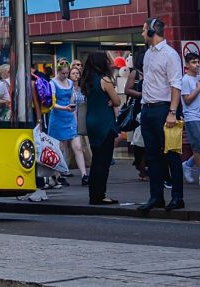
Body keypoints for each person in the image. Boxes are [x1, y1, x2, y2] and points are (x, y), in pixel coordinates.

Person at [137, 18, 185, 214]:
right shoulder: (148, 54)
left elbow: (176, 84)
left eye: (143, 30)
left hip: (164, 109)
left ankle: (177, 197)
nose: (142, 34)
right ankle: (156, 197)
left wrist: (172, 112)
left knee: (172, 155)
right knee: (153, 156)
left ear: (151, 32)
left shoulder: (170, 55)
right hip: (147, 109)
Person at [81, 51, 122, 205]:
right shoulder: (105, 80)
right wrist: (112, 101)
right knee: (104, 161)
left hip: (91, 122)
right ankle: (101, 195)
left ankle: (94, 194)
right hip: (105, 122)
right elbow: (117, 100)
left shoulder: (87, 81)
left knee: (96, 159)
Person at [48, 61, 86, 186]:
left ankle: (84, 175)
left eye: (66, 73)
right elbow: (52, 103)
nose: (65, 75)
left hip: (69, 117)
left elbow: (71, 99)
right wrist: (65, 108)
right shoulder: (52, 83)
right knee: (60, 148)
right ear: (58, 72)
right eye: (62, 73)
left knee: (78, 147)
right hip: (58, 117)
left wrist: (73, 116)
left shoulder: (69, 83)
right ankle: (57, 175)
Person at [179, 51, 200, 186]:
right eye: (193, 62)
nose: (197, 64)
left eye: (198, 61)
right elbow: (187, 100)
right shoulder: (185, 80)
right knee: (198, 147)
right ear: (187, 65)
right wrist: (199, 88)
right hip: (191, 117)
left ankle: (188, 164)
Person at [124, 49, 146, 180]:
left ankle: (144, 167)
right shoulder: (135, 73)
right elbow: (127, 89)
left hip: (148, 107)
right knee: (140, 141)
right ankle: (141, 169)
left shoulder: (152, 72)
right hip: (139, 109)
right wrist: (142, 95)